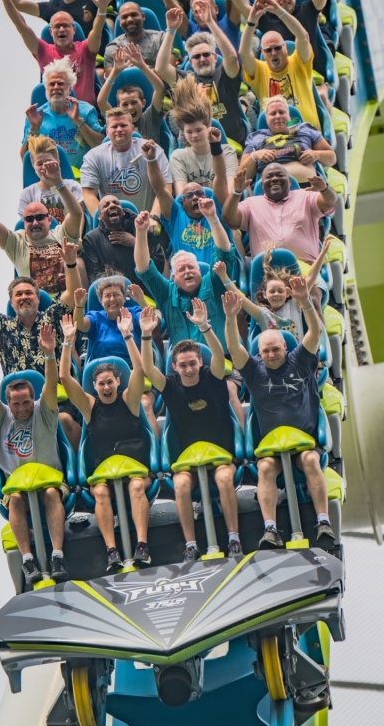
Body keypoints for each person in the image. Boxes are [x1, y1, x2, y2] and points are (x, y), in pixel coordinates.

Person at [223, 283, 335, 550]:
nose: (271, 355)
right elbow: (233, 347)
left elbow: (315, 332)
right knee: (263, 468)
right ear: (259, 354)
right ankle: (270, 529)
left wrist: (305, 302)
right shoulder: (253, 370)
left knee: (310, 460)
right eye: (266, 351)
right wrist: (230, 318)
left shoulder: (300, 359)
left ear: (285, 346)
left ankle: (323, 521)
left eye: (276, 349)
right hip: (271, 448)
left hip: (304, 442)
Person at [140, 303, 242, 561]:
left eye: (192, 363)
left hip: (222, 456)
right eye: (182, 365)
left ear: (199, 362)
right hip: (187, 459)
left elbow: (219, 357)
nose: (188, 369)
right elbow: (149, 369)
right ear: (174, 366)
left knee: (223, 479)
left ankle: (234, 539)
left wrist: (204, 326)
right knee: (181, 484)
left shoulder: (212, 376)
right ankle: (191, 544)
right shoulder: (171, 384)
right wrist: (144, 335)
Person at [0, 252, 82, 447]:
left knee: (64, 421)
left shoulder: (52, 317)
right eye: (19, 295)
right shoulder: (2, 326)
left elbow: (72, 296)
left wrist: (71, 264)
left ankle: (74, 470)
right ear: (12, 302)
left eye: (29, 293)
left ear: (38, 299)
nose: (24, 297)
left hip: (56, 395)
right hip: (20, 402)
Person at [59, 308, 153, 570]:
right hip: (106, 473)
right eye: (101, 384)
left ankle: (142, 545)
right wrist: (68, 341)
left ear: (117, 381)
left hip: (137, 469)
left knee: (135, 487)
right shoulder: (90, 408)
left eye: (110, 382)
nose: (106, 388)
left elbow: (140, 370)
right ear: (95, 386)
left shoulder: (129, 400)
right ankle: (112, 551)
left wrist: (128, 336)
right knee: (99, 491)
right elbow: (65, 378)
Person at [134, 209, 244, 427]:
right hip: (183, 369)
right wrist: (140, 232)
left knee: (229, 391)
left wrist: (212, 218)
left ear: (200, 271)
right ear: (173, 277)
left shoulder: (214, 282)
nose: (187, 271)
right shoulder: (166, 291)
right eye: (181, 269)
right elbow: (144, 268)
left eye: (191, 267)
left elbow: (224, 251)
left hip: (222, 362)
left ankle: (243, 448)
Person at [0, 325, 70, 585]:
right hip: (18, 486)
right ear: (9, 404)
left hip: (50, 481)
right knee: (15, 500)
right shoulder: (2, 417)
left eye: (26, 402)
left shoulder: (45, 413)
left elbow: (51, 384)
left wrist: (50, 354)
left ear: (34, 400)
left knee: (51, 495)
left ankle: (58, 555)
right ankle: (28, 559)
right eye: (16, 404)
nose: (21, 408)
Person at [0, 0, 111, 105]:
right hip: (57, 117)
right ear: (51, 32)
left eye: (65, 26)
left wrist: (101, 10)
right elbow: (20, 25)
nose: (62, 30)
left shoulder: (85, 49)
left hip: (86, 115)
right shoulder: (44, 51)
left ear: (74, 29)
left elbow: (96, 32)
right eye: (57, 27)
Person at [221, 162, 336, 315]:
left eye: (280, 175)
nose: (274, 178)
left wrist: (325, 189)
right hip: (268, 274)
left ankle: (317, 339)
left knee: (312, 300)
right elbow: (229, 219)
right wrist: (236, 192)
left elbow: (329, 202)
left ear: (289, 181)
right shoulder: (250, 204)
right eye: (269, 176)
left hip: (304, 269)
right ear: (262, 184)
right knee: (267, 314)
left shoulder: (306, 196)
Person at [0, 162, 83, 297]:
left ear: (49, 220)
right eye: (29, 219)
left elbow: (76, 213)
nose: (35, 222)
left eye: (40, 217)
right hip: (34, 311)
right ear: (24, 223)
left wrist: (58, 181)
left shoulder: (62, 234)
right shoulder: (16, 242)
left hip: (67, 308)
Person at [72, 279, 159, 436]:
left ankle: (156, 453)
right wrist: (79, 306)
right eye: (107, 296)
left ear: (124, 297)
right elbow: (80, 325)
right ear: (101, 300)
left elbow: (152, 321)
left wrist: (141, 300)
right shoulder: (95, 317)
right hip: (104, 379)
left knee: (145, 405)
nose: (112, 299)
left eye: (116, 295)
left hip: (135, 374)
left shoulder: (133, 312)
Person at [156, 3, 247, 146]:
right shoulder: (186, 79)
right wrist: (171, 30)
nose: (202, 59)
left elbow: (231, 57)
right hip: (198, 147)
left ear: (215, 57)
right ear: (191, 62)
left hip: (233, 146)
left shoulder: (225, 75)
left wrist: (210, 22)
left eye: (206, 54)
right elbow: (160, 68)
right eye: (197, 57)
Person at [214, 239, 333, 342]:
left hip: (298, 358)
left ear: (287, 293)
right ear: (264, 294)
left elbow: (311, 277)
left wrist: (322, 254)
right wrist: (224, 277)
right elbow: (241, 299)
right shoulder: (262, 314)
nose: (276, 294)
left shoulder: (295, 304)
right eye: (272, 291)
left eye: (280, 291)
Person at [239, 0, 321, 128]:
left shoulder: (298, 62)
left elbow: (303, 37)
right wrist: (251, 21)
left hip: (307, 134)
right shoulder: (259, 71)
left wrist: (279, 11)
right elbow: (243, 53)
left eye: (277, 48)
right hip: (276, 140)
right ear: (263, 53)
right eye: (268, 50)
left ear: (285, 48)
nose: (273, 53)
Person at [146, 131, 227, 264]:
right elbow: (160, 189)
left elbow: (220, 178)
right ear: (182, 204)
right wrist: (151, 159)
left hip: (217, 278)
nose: (195, 197)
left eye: (199, 193)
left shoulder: (216, 209)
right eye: (189, 195)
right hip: (186, 277)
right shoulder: (175, 216)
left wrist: (215, 145)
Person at [79, 114, 172, 220]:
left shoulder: (153, 150)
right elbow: (88, 195)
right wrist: (106, 221)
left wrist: (153, 217)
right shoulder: (93, 156)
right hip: (112, 223)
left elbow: (166, 188)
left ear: (132, 129)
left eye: (123, 125)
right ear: (107, 132)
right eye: (114, 127)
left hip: (149, 221)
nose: (119, 129)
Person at [20, 59, 104, 174]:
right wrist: (34, 130)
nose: (56, 87)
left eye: (60, 83)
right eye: (51, 84)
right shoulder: (35, 116)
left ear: (70, 89)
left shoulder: (86, 110)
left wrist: (78, 121)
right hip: (49, 179)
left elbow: (101, 146)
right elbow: (25, 159)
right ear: (46, 89)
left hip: (83, 179)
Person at [241, 95, 336, 185]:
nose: (278, 116)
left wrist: (317, 154)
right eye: (273, 113)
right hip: (271, 192)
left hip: (306, 189)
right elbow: (242, 176)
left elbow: (332, 159)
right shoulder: (255, 137)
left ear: (289, 115)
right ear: (266, 118)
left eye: (282, 112)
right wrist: (254, 156)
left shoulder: (305, 129)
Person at [168, 76, 239, 196]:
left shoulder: (227, 152)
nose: (194, 135)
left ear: (208, 126)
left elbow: (230, 192)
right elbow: (182, 196)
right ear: (183, 132)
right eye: (189, 132)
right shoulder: (178, 157)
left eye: (199, 130)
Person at [82, 194, 165, 289]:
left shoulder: (141, 230)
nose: (112, 205)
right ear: (99, 216)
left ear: (123, 212)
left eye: (116, 203)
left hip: (145, 295)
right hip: (111, 296)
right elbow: (94, 277)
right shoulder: (91, 239)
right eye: (106, 205)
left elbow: (159, 266)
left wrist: (136, 243)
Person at [98, 44, 166, 142]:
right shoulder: (116, 120)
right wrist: (115, 72)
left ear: (143, 103)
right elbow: (101, 102)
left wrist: (142, 65)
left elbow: (160, 89)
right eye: (125, 104)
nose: (130, 107)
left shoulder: (151, 117)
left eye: (134, 102)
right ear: (118, 106)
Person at [103, 3, 166, 73]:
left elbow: (168, 73)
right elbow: (111, 81)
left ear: (143, 16)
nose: (129, 19)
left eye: (134, 15)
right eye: (124, 17)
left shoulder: (161, 38)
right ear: (119, 22)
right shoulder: (113, 48)